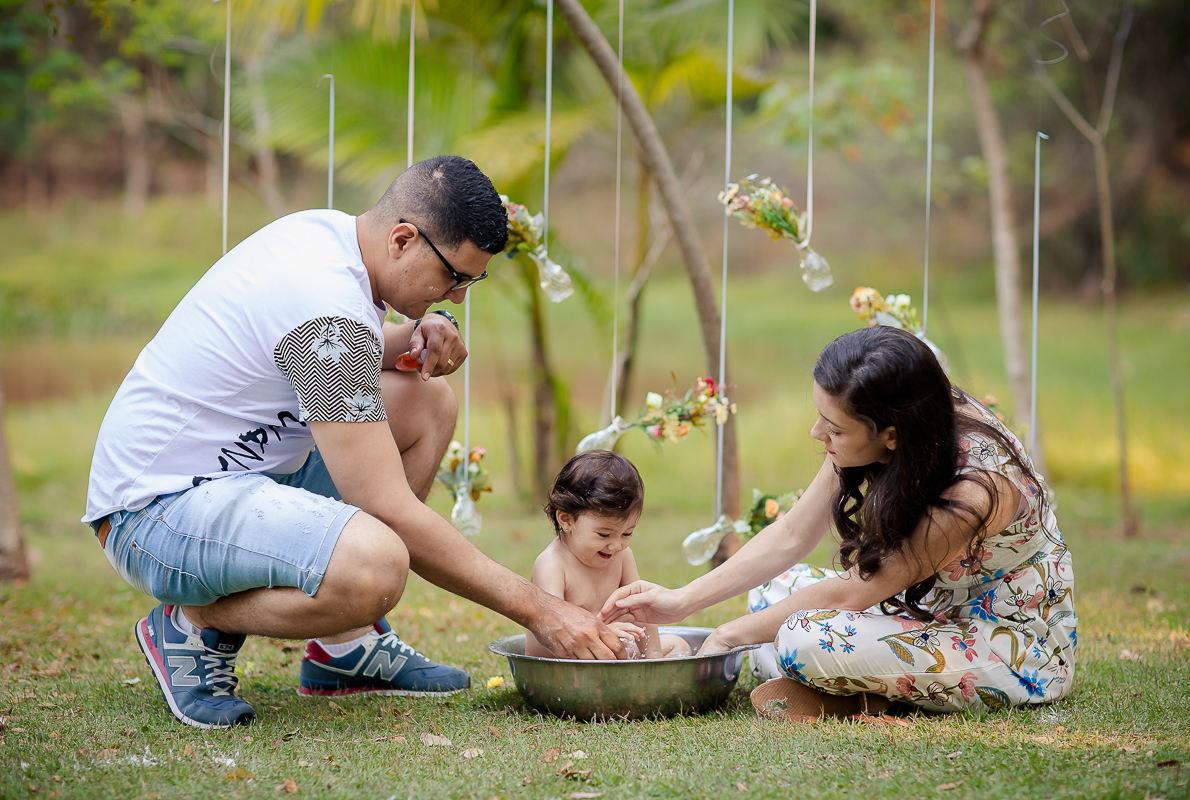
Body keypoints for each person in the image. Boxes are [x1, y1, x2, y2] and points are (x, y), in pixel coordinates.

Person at [83, 155, 627, 730]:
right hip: (154, 511)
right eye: (454, 278)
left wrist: (413, 334)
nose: (458, 298)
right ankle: (190, 625)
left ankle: (345, 645)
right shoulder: (322, 309)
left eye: (471, 281)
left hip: (246, 476)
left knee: (426, 401)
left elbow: (336, 350)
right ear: (403, 239)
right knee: (375, 565)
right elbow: (382, 498)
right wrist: (543, 610)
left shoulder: (332, 240)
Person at [602, 326, 1075, 718]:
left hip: (1006, 644)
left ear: (892, 435)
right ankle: (855, 689)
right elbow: (792, 534)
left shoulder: (973, 494)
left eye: (834, 428)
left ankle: (861, 695)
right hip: (922, 611)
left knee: (800, 636)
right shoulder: (898, 413)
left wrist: (726, 635)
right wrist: (682, 600)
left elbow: (854, 592)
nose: (816, 433)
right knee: (771, 591)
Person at [525, 451, 690, 660]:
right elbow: (554, 631)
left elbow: (641, 610)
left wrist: (653, 657)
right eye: (604, 534)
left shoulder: (622, 556)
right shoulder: (552, 565)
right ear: (567, 520)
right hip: (563, 661)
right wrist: (604, 630)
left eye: (627, 533)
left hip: (607, 650)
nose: (616, 545)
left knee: (678, 645)